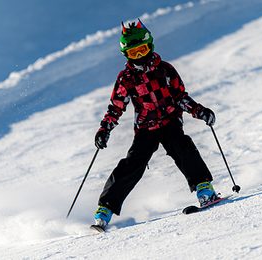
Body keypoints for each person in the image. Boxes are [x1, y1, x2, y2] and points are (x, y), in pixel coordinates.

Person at [92, 19, 219, 228]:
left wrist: (199, 111)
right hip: (145, 129)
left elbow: (180, 96)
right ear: (126, 55)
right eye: (133, 53)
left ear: (150, 46)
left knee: (183, 148)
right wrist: (104, 129)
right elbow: (116, 106)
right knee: (133, 164)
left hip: (170, 122)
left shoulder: (165, 70)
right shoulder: (126, 78)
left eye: (141, 50)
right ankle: (105, 208)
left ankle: (204, 188)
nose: (139, 56)